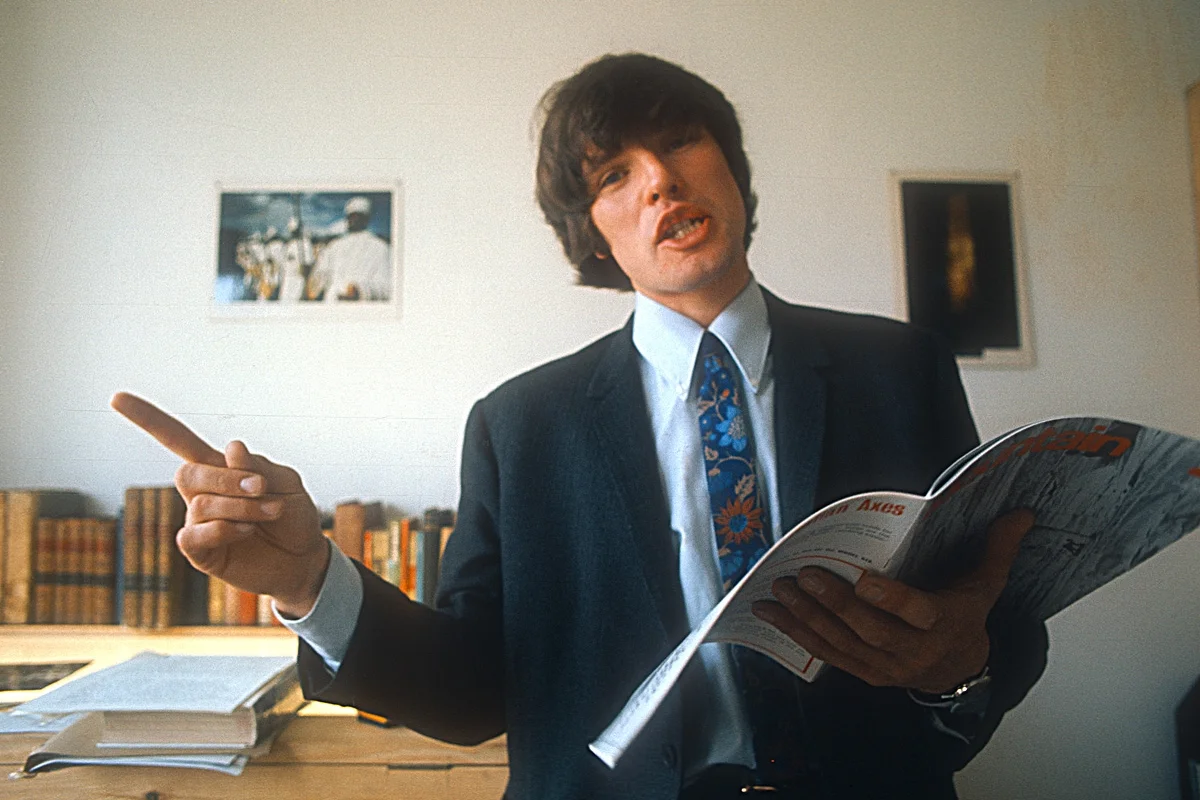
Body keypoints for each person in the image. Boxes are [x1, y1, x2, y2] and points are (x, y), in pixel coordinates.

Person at [113, 53, 1047, 800]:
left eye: (681, 143)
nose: (661, 182)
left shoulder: (901, 367)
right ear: (595, 233)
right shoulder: (518, 427)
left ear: (731, 169)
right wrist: (306, 580)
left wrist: (963, 664)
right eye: (615, 174)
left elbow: (998, 611)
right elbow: (470, 692)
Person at [309, 196, 391, 301]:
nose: (353, 220)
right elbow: (321, 274)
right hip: (331, 304)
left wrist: (361, 291)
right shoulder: (334, 246)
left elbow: (388, 287)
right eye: (350, 216)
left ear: (366, 219)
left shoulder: (381, 247)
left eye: (358, 216)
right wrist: (313, 282)